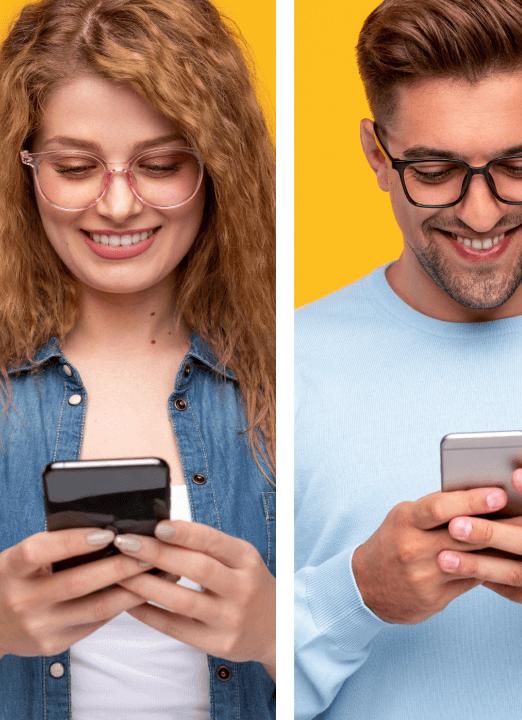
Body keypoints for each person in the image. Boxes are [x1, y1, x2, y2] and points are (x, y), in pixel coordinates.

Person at [292, 0, 522, 717]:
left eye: (519, 163)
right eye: (436, 169)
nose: (481, 215)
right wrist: (355, 597)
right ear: (377, 156)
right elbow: (233, 683)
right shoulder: (284, 365)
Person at [0, 0, 277, 718]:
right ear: (22, 167)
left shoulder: (298, 368)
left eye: (159, 164)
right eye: (74, 165)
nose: (118, 204)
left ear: (218, 164)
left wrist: (280, 631)